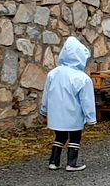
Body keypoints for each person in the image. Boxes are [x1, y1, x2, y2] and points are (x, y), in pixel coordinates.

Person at [42, 36, 98, 172]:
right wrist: (91, 118)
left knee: (59, 136)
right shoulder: (82, 78)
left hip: (56, 114)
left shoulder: (53, 74)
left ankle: (54, 161)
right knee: (75, 137)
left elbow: (46, 95)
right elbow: (87, 100)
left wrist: (44, 110)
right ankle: (71, 163)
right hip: (74, 114)